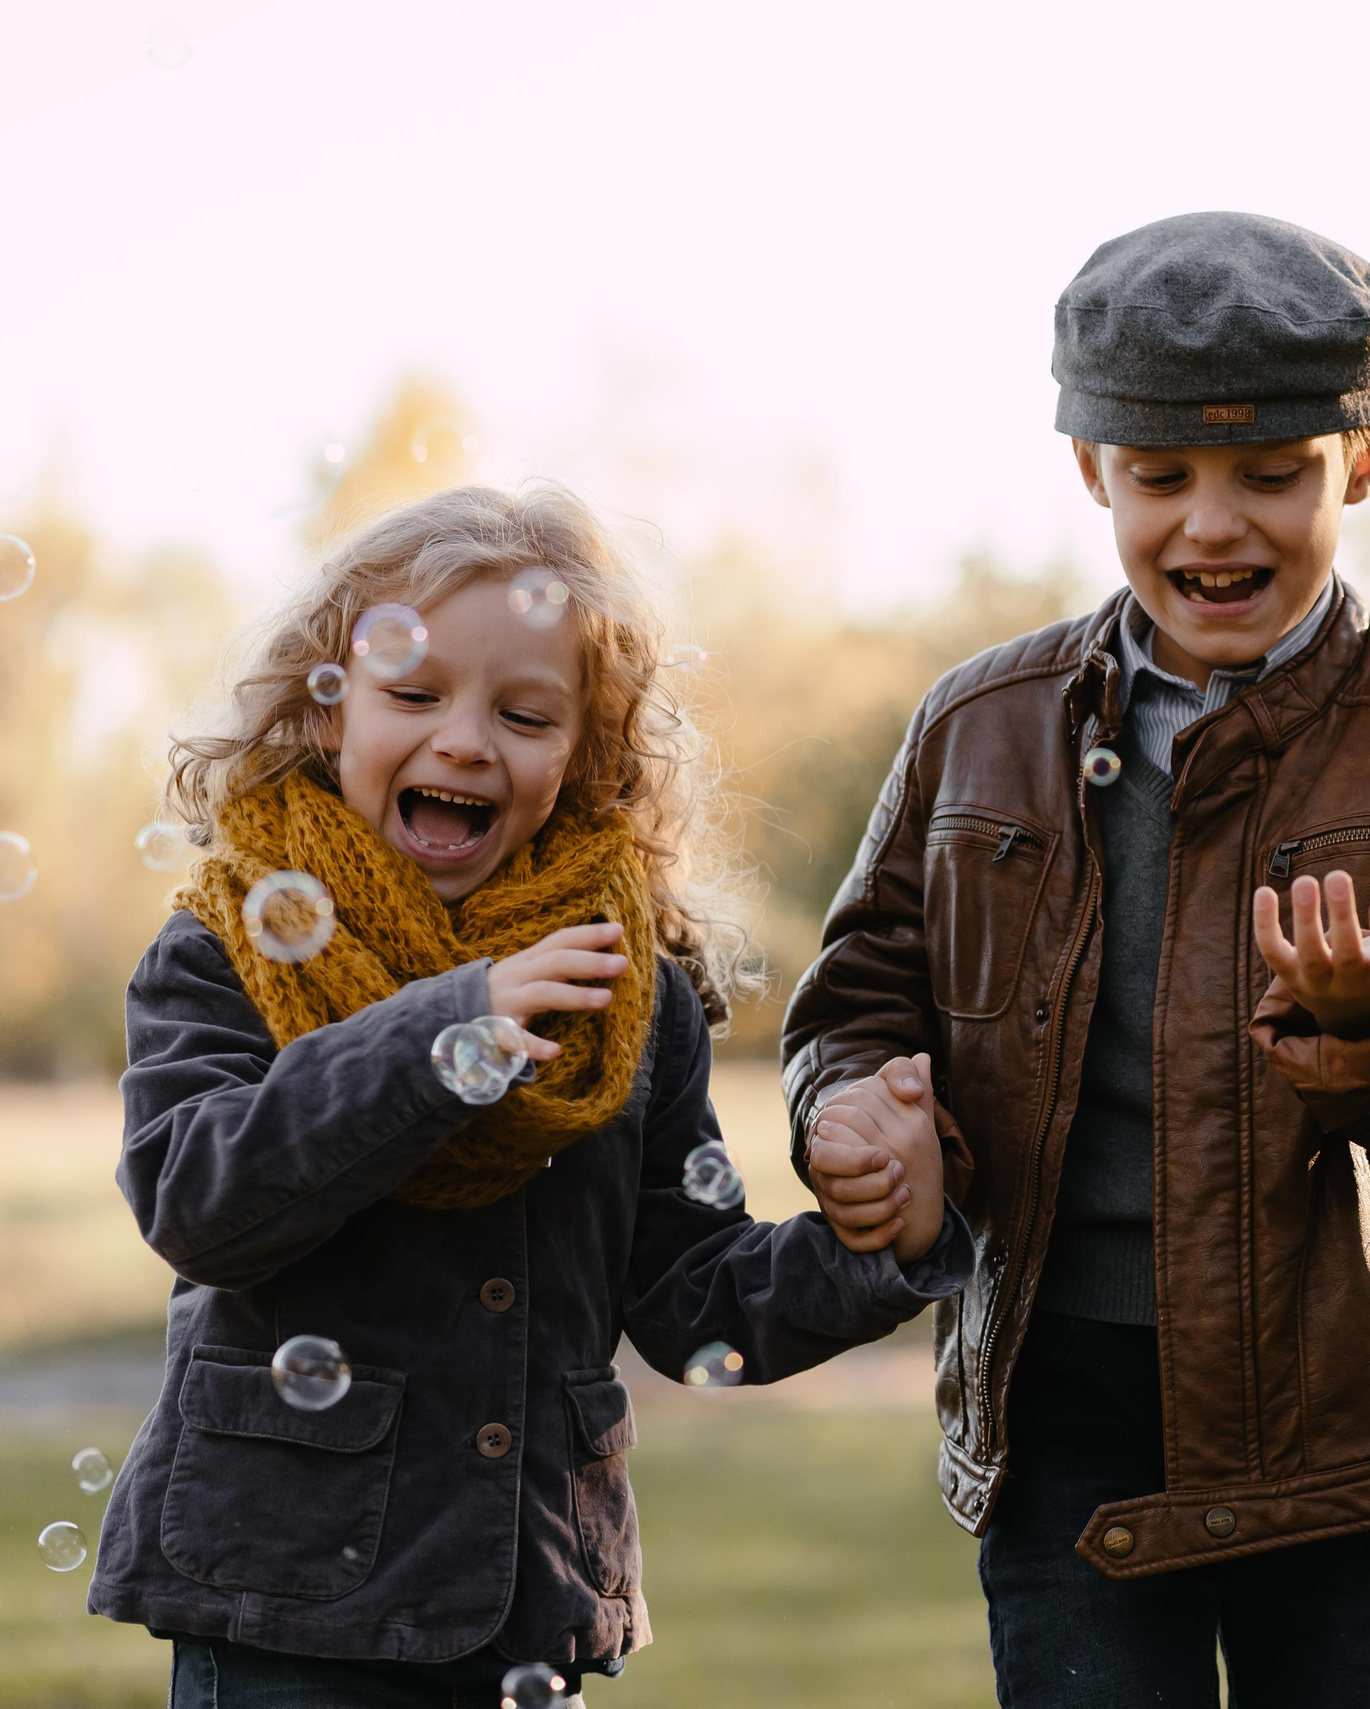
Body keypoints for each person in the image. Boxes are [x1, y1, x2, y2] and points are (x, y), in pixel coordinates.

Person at [782, 211, 1370, 1708]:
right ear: (1093, 471)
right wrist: (852, 1111)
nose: (1214, 525)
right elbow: (862, 990)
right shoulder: (980, 725)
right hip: (1063, 1411)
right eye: (1162, 479)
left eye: (1272, 476)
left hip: (1342, 1425)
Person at [88, 485, 966, 1706]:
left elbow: (691, 1296)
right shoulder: (226, 944)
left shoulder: (624, 988)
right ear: (322, 712)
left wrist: (884, 1243)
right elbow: (200, 1200)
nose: (463, 740)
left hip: (527, 1597)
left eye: (524, 713)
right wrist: (449, 1029)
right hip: (287, 1598)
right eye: (413, 692)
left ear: (587, 754)